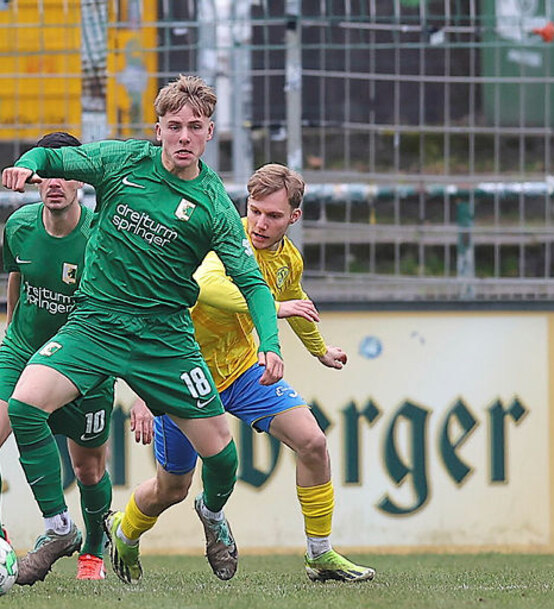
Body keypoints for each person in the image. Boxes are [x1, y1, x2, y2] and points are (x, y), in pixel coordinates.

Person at [0, 75, 284, 585]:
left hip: (165, 340)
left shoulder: (215, 205)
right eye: (173, 126)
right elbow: (58, 159)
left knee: (222, 457)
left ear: (209, 133)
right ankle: (58, 526)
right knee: (23, 404)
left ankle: (213, 517)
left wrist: (270, 343)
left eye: (193, 127)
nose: (182, 136)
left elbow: (253, 284)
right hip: (97, 324)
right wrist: (29, 164)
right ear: (159, 129)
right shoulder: (123, 162)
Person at [125, 164, 376, 583]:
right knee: (172, 488)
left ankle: (320, 554)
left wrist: (319, 350)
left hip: (242, 370)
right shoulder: (224, 237)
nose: (261, 222)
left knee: (313, 442)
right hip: (182, 373)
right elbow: (206, 286)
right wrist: (144, 393)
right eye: (255, 210)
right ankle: (125, 531)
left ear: (294, 217)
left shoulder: (288, 258)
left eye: (273, 216)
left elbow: (294, 297)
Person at [0, 132, 149, 582]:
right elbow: (17, 278)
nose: (54, 182)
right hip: (22, 352)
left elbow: (129, 310)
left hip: (85, 362)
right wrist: (11, 332)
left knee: (89, 468)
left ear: (81, 181)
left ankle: (91, 549)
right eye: (46, 174)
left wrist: (142, 390)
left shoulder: (100, 238)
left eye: (66, 174)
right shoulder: (19, 227)